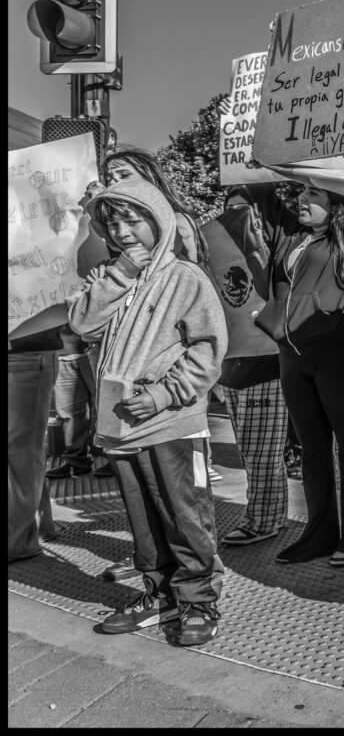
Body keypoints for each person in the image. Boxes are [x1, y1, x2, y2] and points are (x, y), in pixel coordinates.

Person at [67, 177, 227, 646]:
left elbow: (208, 350)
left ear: (157, 220)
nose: (123, 232)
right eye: (113, 222)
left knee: (185, 516)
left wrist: (164, 394)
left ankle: (198, 600)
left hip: (173, 423)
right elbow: (81, 323)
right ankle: (159, 595)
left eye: (133, 220)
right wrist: (117, 277)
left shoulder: (186, 279)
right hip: (122, 427)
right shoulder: (114, 277)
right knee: (144, 521)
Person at [248, 183, 344, 567]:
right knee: (312, 449)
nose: (302, 200)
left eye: (315, 196)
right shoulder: (290, 237)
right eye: (301, 193)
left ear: (338, 205)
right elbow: (257, 189)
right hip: (293, 356)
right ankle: (320, 534)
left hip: (341, 354)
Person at [208, 185, 290, 547]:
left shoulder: (277, 247)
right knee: (251, 451)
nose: (236, 217)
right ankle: (273, 514)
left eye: (244, 210)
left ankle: (263, 520)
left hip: (268, 359)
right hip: (231, 362)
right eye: (230, 211)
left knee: (262, 452)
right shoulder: (212, 246)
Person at [8, 327, 61, 562]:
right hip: (24, 350)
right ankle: (35, 527)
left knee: (22, 450)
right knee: (24, 449)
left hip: (24, 350)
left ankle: (21, 539)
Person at [44, 327, 100, 478]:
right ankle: (77, 463)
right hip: (62, 355)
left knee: (104, 408)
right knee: (68, 414)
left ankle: (114, 461)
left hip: (97, 351)